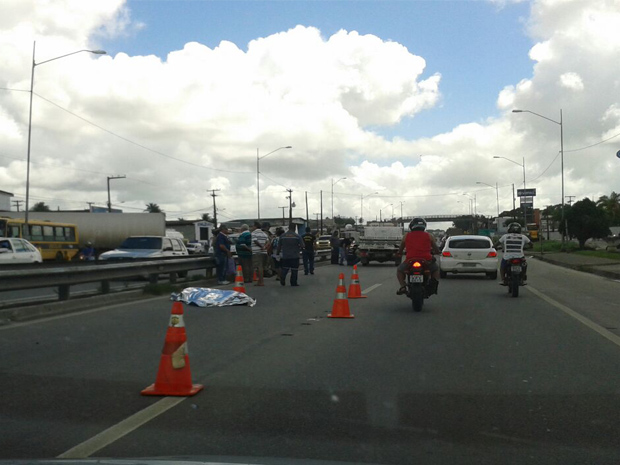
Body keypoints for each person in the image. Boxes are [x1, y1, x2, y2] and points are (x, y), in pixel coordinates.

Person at [396, 218, 440, 295]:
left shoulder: (406, 236)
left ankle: (403, 287)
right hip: (427, 260)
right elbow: (436, 249)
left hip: (410, 260)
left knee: (400, 270)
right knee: (435, 269)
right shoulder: (429, 236)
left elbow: (401, 248)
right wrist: (437, 252)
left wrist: (399, 253)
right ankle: (434, 284)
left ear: (411, 226)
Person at [251, 221, 269, 286]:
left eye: (252, 226)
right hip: (264, 252)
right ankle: (260, 281)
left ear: (255, 226)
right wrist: (264, 247)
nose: (252, 228)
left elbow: (255, 240)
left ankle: (261, 282)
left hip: (256, 252)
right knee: (261, 267)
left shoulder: (253, 233)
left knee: (259, 267)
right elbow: (268, 242)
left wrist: (261, 247)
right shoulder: (264, 233)